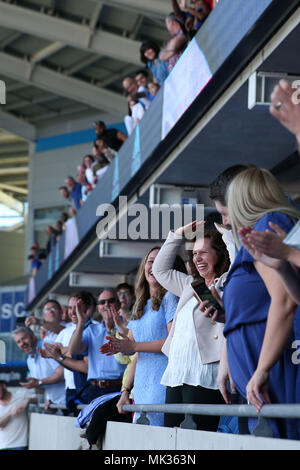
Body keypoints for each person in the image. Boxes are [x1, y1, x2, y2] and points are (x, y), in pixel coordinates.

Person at [222, 167, 300, 439]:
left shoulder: (267, 224)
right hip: (261, 379)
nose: (225, 218)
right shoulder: (255, 233)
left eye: (226, 209)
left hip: (274, 375)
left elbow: (286, 299)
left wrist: (262, 368)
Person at [152, 224, 229, 430]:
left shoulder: (228, 283)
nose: (197, 258)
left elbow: (238, 257)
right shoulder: (190, 284)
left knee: (199, 440)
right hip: (176, 373)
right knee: (171, 438)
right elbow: (159, 270)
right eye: (194, 254)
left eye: (204, 252)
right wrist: (177, 235)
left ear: (220, 254)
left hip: (205, 375)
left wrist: (229, 236)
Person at [100, 247, 180, 426]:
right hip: (141, 388)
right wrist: (125, 391)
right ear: (144, 266)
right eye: (151, 261)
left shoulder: (170, 298)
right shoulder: (140, 305)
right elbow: (136, 357)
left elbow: (172, 342)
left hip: (162, 384)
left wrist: (134, 346)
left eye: (160, 261)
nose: (154, 266)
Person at [41, 292, 97, 414]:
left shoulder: (95, 328)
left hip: (91, 389)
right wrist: (59, 355)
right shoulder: (69, 331)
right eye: (70, 308)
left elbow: (83, 363)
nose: (71, 312)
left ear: (88, 308)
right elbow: (65, 356)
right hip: (73, 389)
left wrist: (61, 354)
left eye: (76, 308)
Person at [13, 326, 65, 409]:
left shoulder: (46, 346)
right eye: (18, 342)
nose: (22, 343)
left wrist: (39, 382)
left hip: (68, 401)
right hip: (53, 405)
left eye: (24, 338)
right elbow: (41, 389)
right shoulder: (29, 360)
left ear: (33, 336)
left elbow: (62, 374)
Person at [0, 380, 32, 451]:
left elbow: (38, 398)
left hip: (20, 444)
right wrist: (10, 413)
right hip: (3, 445)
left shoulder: (21, 395)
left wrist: (27, 400)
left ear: (3, 386)